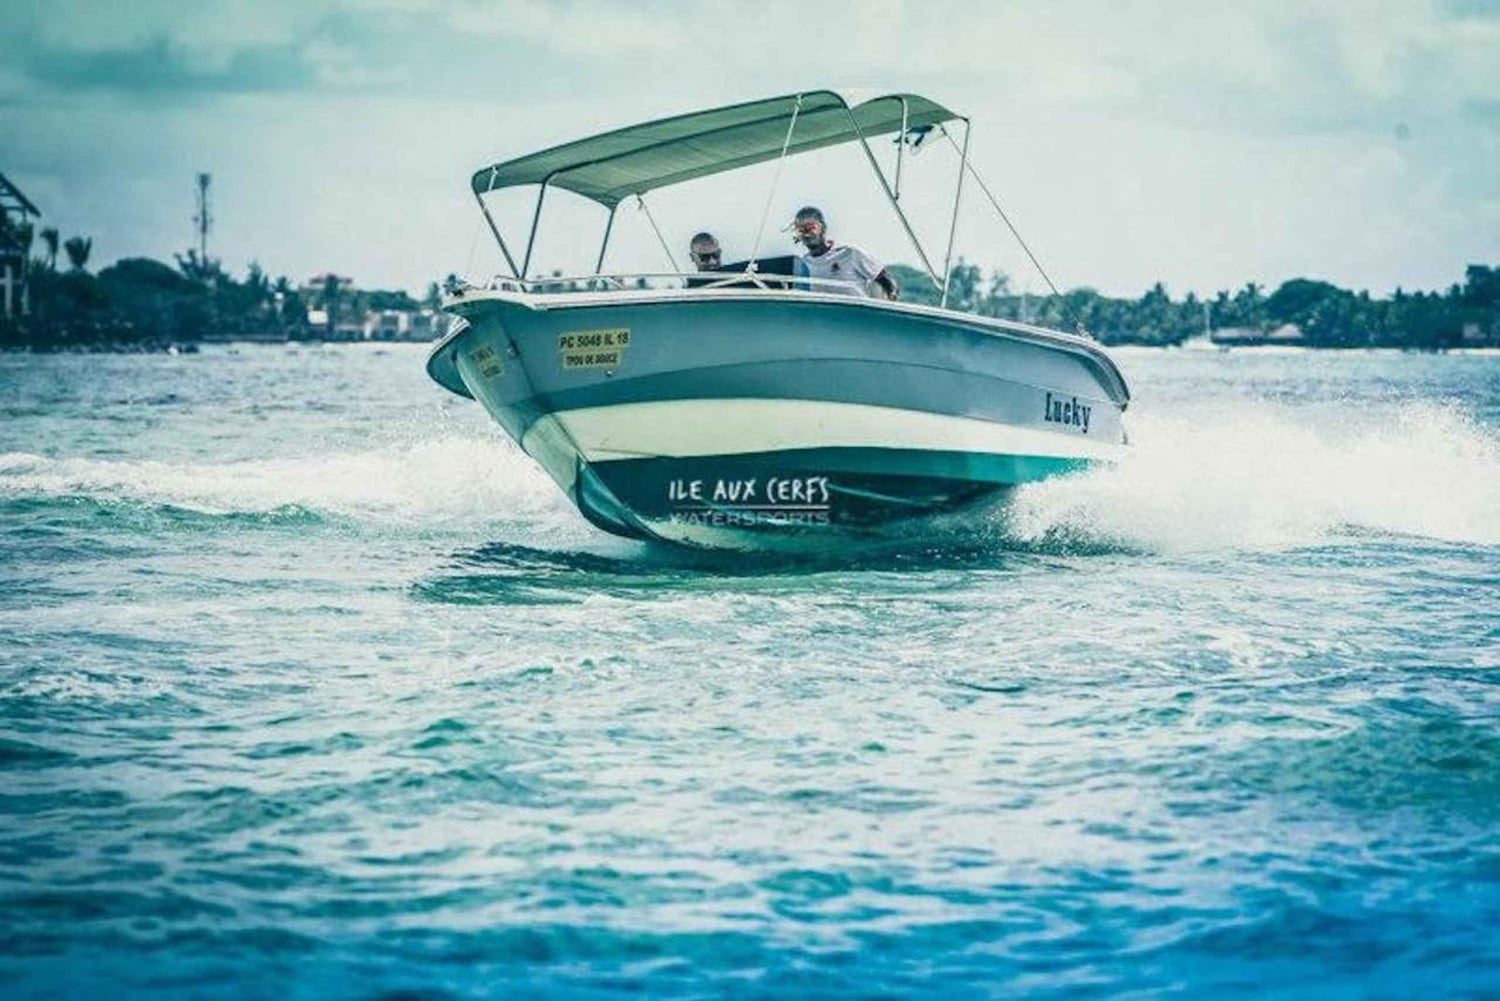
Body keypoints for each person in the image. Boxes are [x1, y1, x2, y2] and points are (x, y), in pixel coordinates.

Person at [791, 206, 899, 300]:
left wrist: (892, 297)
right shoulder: (802, 265)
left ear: (822, 228)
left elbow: (886, 279)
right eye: (801, 230)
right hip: (821, 318)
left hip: (855, 316)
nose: (806, 234)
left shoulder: (850, 253)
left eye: (810, 228)